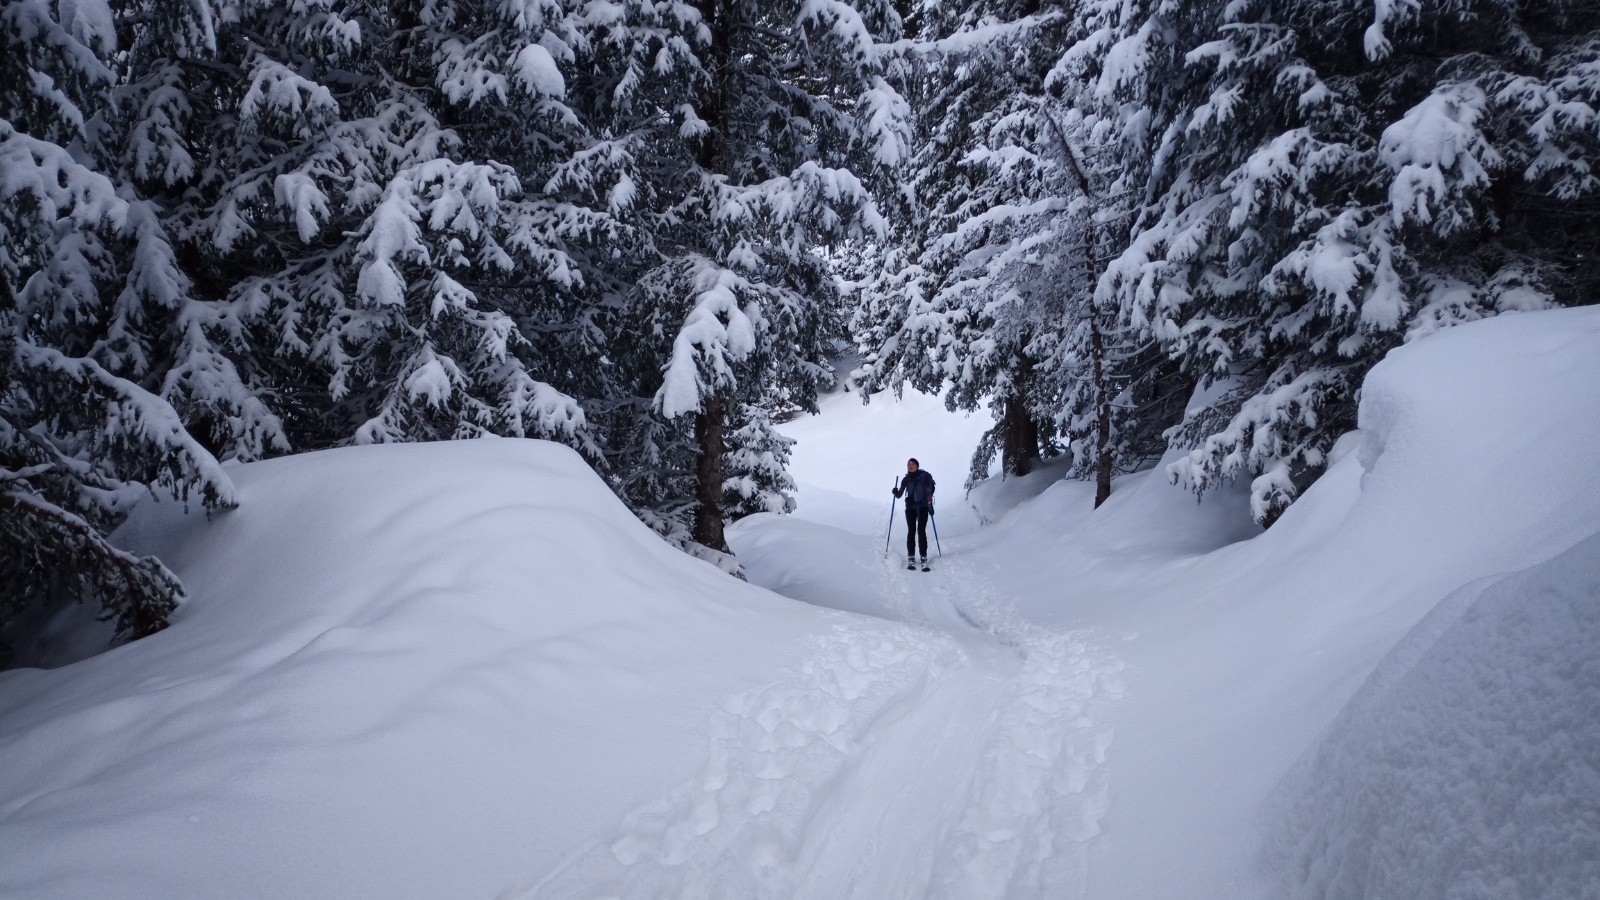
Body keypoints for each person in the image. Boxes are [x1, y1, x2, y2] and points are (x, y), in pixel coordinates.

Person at [892, 458, 935, 569]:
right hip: (910, 508)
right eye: (908, 464)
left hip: (922, 507)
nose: (909, 466)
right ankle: (911, 557)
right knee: (911, 531)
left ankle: (923, 557)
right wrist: (895, 492)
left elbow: (928, 491)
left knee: (921, 531)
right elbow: (899, 495)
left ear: (917, 466)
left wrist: (930, 505)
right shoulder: (905, 479)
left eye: (912, 464)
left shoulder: (924, 477)